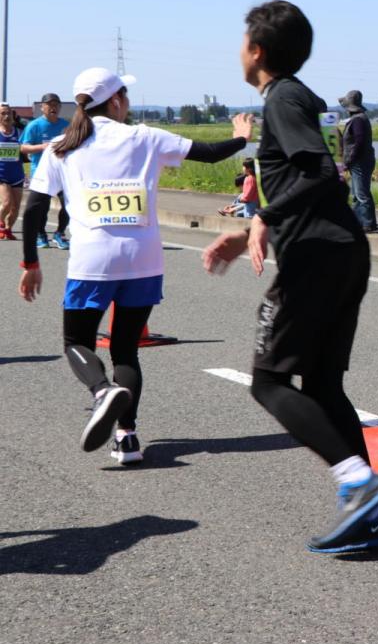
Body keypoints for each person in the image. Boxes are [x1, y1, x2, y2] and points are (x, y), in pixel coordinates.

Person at [201, 0, 378, 554]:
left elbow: (318, 171)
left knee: (267, 381)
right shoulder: (293, 98)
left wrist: (262, 216)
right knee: (323, 384)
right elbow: (310, 179)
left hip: (315, 256)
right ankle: (371, 517)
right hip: (340, 250)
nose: (238, 49)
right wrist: (251, 230)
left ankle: (358, 484)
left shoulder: (282, 96)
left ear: (257, 51)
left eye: (242, 40)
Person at [16, 67, 251, 466]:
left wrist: (31, 262)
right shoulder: (145, 137)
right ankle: (127, 437)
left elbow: (36, 206)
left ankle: (101, 391)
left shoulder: (61, 146)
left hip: (93, 259)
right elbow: (211, 154)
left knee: (76, 344)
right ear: (118, 100)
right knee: (126, 348)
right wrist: (242, 135)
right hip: (144, 258)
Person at [19, 93, 72, 249]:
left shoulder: (65, 126)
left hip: (62, 171)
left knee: (68, 203)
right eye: (49, 105)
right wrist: (42, 147)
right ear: (42, 107)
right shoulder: (34, 125)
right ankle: (41, 234)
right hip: (41, 172)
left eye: (56, 105)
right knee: (42, 206)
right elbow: (23, 147)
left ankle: (59, 233)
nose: (53, 108)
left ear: (60, 107)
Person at [339, 89, 377, 231]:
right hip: (360, 161)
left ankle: (367, 224)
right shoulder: (360, 118)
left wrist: (348, 160)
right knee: (357, 194)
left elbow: (359, 142)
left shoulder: (358, 120)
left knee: (361, 194)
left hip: (360, 162)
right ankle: (360, 222)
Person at [0, 104, 25, 240]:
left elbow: (27, 145)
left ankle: (8, 230)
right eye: (3, 113)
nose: (6, 116)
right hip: (1, 174)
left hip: (17, 174)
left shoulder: (19, 132)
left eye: (8, 113)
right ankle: (0, 223)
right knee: (6, 203)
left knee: (16, 207)